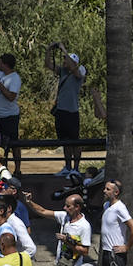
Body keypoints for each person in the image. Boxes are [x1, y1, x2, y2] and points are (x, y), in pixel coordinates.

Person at [44, 43, 87, 174]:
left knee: (75, 141)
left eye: (66, 59)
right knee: (66, 142)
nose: (64, 61)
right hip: (61, 111)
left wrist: (64, 49)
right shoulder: (62, 71)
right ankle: (68, 167)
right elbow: (48, 65)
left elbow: (76, 71)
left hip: (72, 112)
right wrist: (48, 49)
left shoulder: (79, 72)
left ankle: (76, 168)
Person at [98, 180, 133, 266]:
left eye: (108, 189)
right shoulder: (106, 205)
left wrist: (126, 247)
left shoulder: (120, 208)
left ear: (116, 192)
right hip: (106, 251)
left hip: (115, 254)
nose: (104, 191)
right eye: (105, 188)